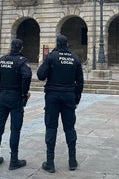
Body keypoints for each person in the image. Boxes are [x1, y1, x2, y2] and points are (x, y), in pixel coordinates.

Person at [37, 34, 84, 173]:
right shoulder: (75, 58)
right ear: (67, 44)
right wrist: (77, 99)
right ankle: (72, 160)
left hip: (52, 96)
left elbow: (40, 75)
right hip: (69, 96)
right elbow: (80, 81)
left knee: (51, 127)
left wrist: (49, 59)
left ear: (57, 43)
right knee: (70, 128)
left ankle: (50, 162)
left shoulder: (52, 57)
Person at [0, 39, 32, 170]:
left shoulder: (2, 60)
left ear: (11, 47)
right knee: (15, 129)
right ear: (21, 48)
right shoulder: (22, 61)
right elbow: (27, 75)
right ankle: (14, 160)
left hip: (3, 97)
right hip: (16, 98)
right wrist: (24, 93)